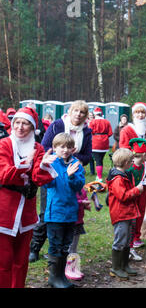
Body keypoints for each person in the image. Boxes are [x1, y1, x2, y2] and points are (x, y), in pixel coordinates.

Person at [0, 107, 57, 288]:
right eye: (17, 122)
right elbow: (4, 174)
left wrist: (43, 166)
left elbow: (38, 179)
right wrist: (26, 164)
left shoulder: (37, 147)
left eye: (25, 123)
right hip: (4, 212)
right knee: (4, 261)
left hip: (26, 213)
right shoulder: (4, 145)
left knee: (21, 261)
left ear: (32, 127)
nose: (20, 127)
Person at [29, 100, 92, 263]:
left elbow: (87, 156)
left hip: (72, 171)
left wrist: (72, 157)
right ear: (70, 111)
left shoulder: (86, 132)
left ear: (85, 116)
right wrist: (58, 158)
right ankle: (35, 248)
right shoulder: (57, 125)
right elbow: (45, 147)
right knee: (46, 213)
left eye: (82, 112)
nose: (79, 114)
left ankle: (61, 253)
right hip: (53, 171)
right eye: (76, 111)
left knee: (69, 213)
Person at [44, 133, 85, 288]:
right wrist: (64, 174)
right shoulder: (51, 163)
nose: (65, 150)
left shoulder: (76, 164)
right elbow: (47, 184)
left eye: (69, 147)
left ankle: (61, 276)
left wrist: (72, 177)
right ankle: (54, 278)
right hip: (55, 213)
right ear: (54, 148)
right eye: (62, 147)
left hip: (70, 213)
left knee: (66, 245)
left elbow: (79, 185)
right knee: (55, 244)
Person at [106, 148, 144, 280]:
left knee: (127, 240)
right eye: (131, 160)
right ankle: (115, 268)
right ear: (125, 162)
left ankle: (124, 265)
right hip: (121, 214)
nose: (133, 161)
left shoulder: (125, 175)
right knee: (120, 240)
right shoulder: (117, 179)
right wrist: (136, 190)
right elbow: (122, 196)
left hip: (129, 213)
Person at [127, 138, 146, 257]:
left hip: (143, 193)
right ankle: (130, 239)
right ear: (144, 154)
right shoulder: (129, 167)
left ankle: (137, 236)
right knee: (132, 216)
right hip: (132, 194)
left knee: (141, 213)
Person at [65, 187, 91, 281]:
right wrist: (81, 203)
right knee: (70, 245)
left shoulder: (81, 187)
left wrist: (86, 205)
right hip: (71, 220)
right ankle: (67, 268)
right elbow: (69, 200)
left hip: (78, 220)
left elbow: (84, 196)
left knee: (74, 246)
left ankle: (74, 267)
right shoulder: (69, 185)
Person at [89, 107, 113, 182]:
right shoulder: (107, 122)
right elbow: (110, 133)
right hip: (105, 143)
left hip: (95, 142)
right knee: (100, 160)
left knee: (98, 160)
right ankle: (98, 175)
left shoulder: (92, 122)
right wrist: (104, 136)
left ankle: (99, 177)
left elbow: (90, 131)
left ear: (95, 114)